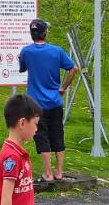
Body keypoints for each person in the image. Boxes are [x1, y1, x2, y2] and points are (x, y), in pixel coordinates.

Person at [19, 19, 78, 182]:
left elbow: (22, 68)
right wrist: (63, 87)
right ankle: (59, 171)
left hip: (35, 104)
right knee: (57, 134)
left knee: (42, 136)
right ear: (45, 33)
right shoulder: (56, 51)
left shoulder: (26, 52)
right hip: (55, 102)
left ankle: (47, 173)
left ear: (32, 34)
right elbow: (73, 68)